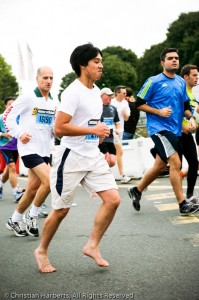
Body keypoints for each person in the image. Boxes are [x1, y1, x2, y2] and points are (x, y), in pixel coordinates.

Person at [34, 43, 120, 273]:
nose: (101, 65)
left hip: (92, 155)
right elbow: (59, 128)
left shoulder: (95, 91)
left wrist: (97, 134)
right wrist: (92, 131)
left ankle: (92, 245)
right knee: (61, 210)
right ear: (84, 65)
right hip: (70, 157)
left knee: (113, 199)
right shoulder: (72, 92)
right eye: (96, 62)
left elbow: (87, 123)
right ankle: (41, 250)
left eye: (101, 61)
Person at [127, 48, 199, 216]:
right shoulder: (154, 81)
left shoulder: (181, 82)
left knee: (159, 166)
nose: (174, 60)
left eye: (176, 58)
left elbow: (185, 106)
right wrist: (158, 112)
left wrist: (190, 118)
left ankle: (137, 191)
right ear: (162, 62)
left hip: (176, 130)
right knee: (175, 162)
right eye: (170, 58)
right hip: (159, 129)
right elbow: (138, 104)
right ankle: (183, 204)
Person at [4, 66, 59, 237]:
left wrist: (55, 131)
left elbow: (51, 125)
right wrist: (20, 133)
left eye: (51, 78)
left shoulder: (53, 102)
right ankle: (32, 215)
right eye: (45, 78)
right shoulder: (28, 97)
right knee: (50, 180)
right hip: (29, 149)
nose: (48, 81)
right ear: (37, 79)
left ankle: (14, 220)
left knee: (33, 189)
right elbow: (7, 116)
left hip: (45, 150)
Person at [178, 64, 199, 204]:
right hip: (176, 133)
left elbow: (191, 114)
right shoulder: (180, 90)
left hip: (187, 134)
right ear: (186, 77)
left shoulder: (192, 93)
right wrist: (180, 127)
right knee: (170, 167)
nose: (197, 78)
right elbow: (173, 112)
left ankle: (189, 195)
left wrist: (194, 125)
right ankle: (138, 189)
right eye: (195, 75)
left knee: (193, 162)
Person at [0, 97, 24, 202]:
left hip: (16, 147)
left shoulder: (19, 117)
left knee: (9, 169)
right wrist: (3, 134)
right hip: (5, 146)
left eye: (13, 105)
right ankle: (16, 192)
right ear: (5, 106)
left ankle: (0, 184)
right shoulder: (1, 117)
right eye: (9, 104)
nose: (11, 106)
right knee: (12, 167)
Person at [111, 85, 131, 183]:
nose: (125, 95)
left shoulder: (125, 103)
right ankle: (122, 175)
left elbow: (127, 118)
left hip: (121, 130)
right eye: (123, 93)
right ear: (117, 93)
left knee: (115, 152)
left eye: (126, 93)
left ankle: (110, 174)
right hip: (112, 130)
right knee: (120, 150)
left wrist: (124, 113)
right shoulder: (111, 102)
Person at [99, 87, 120, 167]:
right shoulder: (97, 108)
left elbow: (117, 122)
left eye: (111, 95)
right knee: (106, 159)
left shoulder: (113, 108)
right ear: (102, 96)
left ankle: (105, 174)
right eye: (108, 95)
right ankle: (104, 177)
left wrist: (117, 129)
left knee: (112, 161)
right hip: (101, 139)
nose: (110, 97)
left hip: (110, 138)